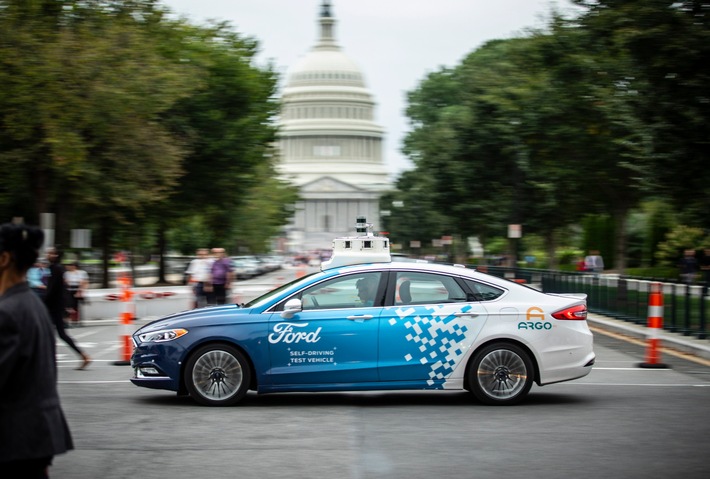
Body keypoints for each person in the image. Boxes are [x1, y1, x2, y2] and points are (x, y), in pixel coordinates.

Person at [0, 223, 74, 478]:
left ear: (4, 258)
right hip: (36, 435)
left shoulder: (7, 311)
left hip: (15, 439)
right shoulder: (33, 304)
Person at [44, 246, 91, 369]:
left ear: (56, 255)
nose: (47, 255)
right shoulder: (55, 268)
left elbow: (53, 289)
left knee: (55, 334)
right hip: (54, 306)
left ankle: (84, 356)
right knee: (58, 334)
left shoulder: (56, 269)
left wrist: (43, 302)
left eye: (50, 253)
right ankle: (84, 356)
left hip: (54, 307)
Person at [64, 261, 89, 326]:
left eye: (71, 265)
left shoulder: (82, 273)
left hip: (78, 289)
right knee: (69, 305)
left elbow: (84, 282)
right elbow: (65, 281)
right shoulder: (66, 273)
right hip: (69, 290)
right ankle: (70, 320)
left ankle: (77, 320)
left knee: (77, 306)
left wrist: (81, 290)